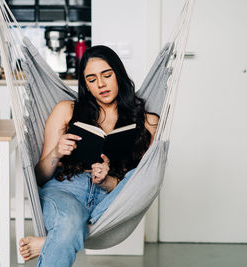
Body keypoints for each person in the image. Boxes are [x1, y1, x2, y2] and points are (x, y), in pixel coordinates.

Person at [19, 45, 159, 267]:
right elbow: (38, 177)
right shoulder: (66, 110)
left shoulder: (148, 121)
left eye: (107, 75)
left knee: (144, 175)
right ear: (85, 84)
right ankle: (66, 233)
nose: (101, 84)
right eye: (91, 79)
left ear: (118, 75)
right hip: (66, 190)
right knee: (70, 219)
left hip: (109, 201)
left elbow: (137, 187)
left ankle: (53, 241)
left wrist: (107, 180)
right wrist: (56, 152)